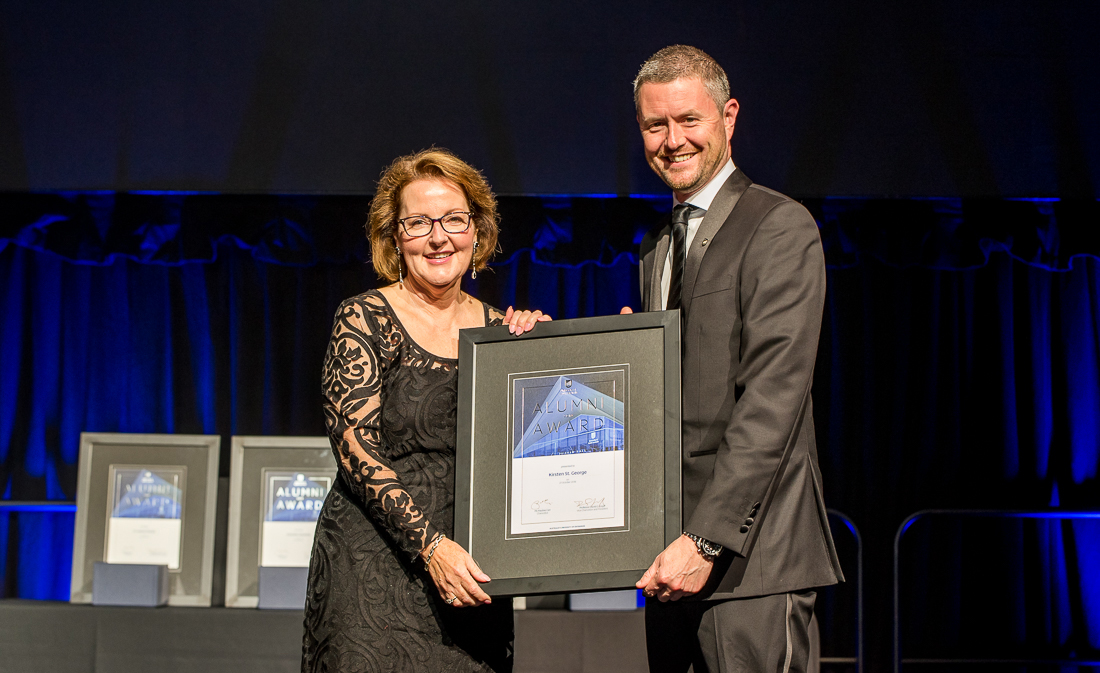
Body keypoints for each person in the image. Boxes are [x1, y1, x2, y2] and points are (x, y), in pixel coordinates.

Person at [627, 45, 844, 671]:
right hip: (670, 564)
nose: (673, 140)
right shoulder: (656, 245)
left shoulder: (778, 225)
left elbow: (773, 399)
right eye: (655, 125)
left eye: (689, 120)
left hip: (752, 561)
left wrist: (706, 539)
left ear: (729, 117)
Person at [302, 148, 549, 673]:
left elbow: (538, 450)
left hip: (474, 572)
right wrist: (431, 548)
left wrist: (544, 354)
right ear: (395, 238)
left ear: (477, 230)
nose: (438, 238)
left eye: (454, 220)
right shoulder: (364, 317)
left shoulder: (501, 330)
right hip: (373, 572)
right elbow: (356, 453)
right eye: (418, 223)